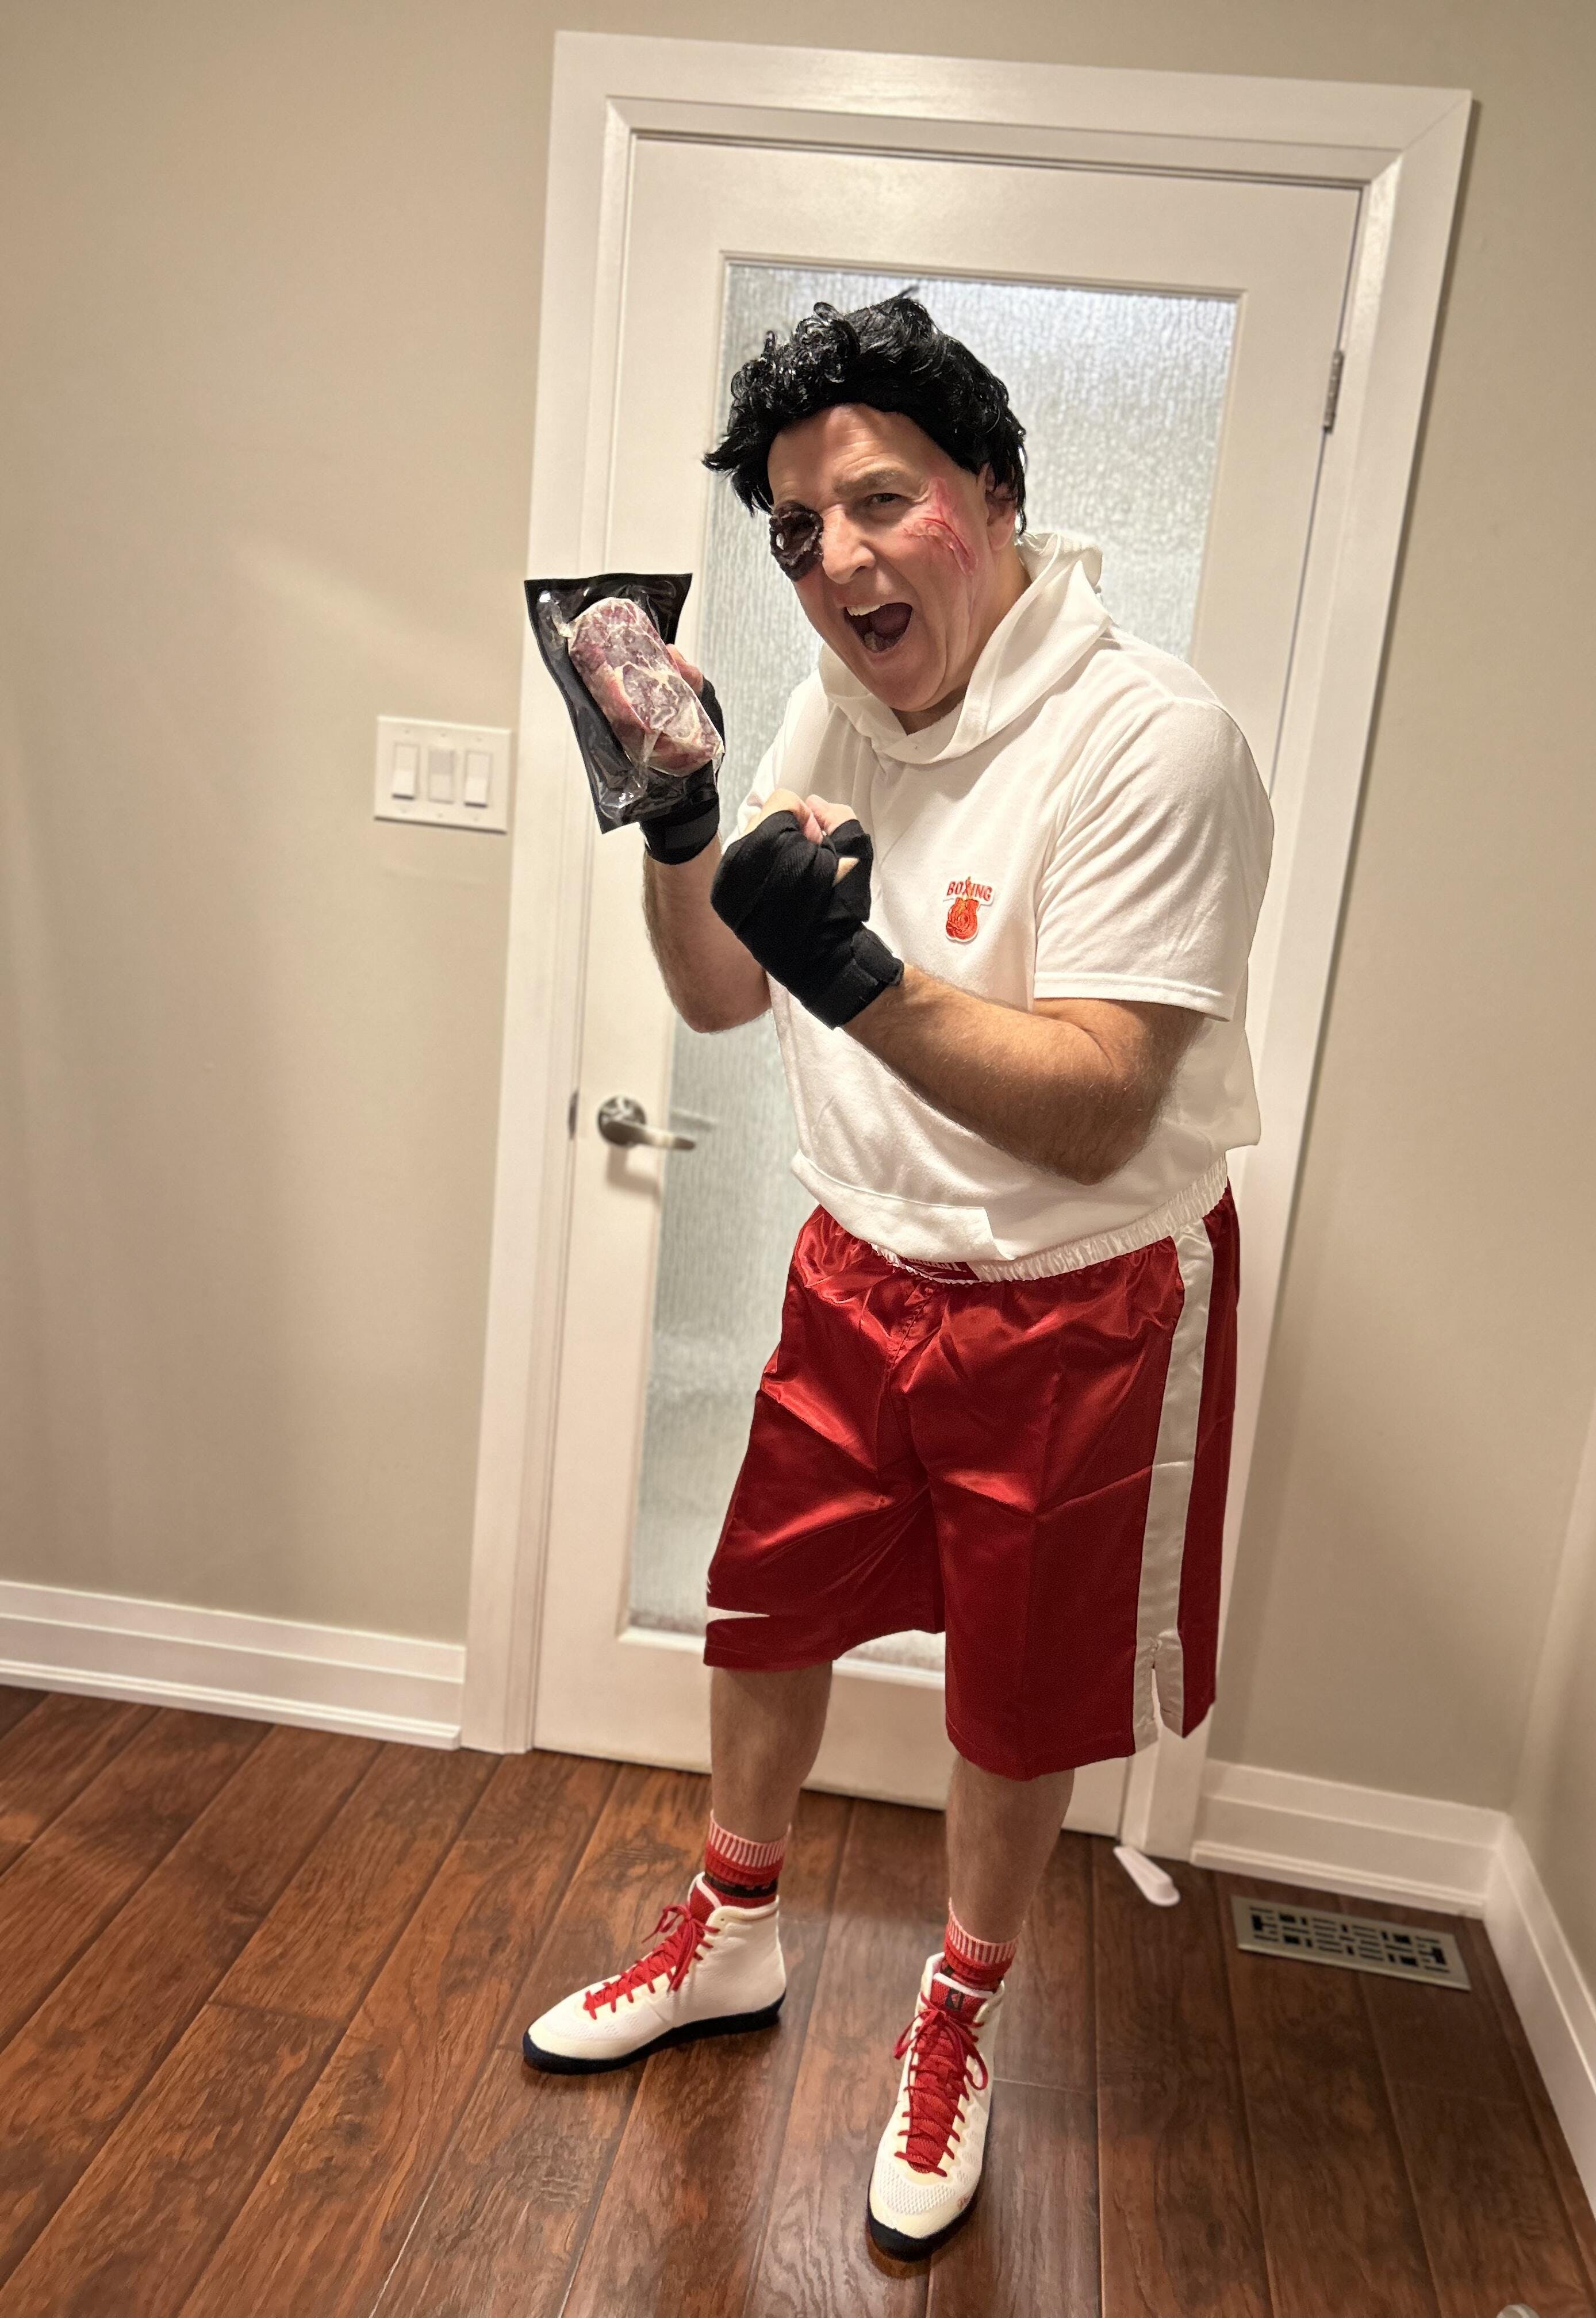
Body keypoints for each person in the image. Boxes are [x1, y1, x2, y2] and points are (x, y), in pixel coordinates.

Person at [522, 293, 1273, 2261]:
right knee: (764, 1611)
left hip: (1081, 1297)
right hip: (861, 1265)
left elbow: (1100, 1109)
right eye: (796, 529)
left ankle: (961, 2009)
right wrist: (681, 816)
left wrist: (859, 974)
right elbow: (715, 992)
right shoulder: (834, 711)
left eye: (880, 500)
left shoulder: (1154, 743)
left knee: (1016, 1703)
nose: (836, 557)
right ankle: (735, 1928)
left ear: (992, 496)